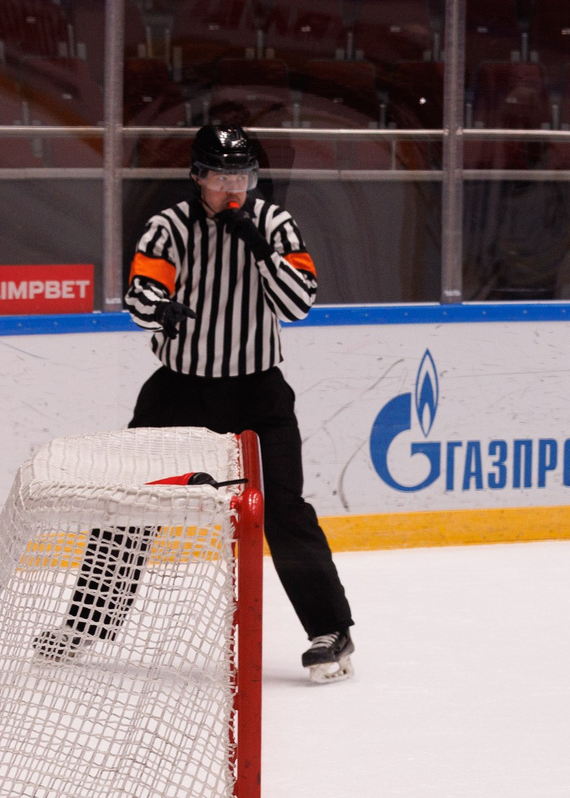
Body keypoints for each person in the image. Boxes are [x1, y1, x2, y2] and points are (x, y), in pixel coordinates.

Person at [67, 123, 358, 681]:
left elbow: (299, 303)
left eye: (243, 176)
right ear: (198, 177)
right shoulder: (169, 226)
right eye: (222, 176)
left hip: (258, 391)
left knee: (283, 509)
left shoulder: (275, 223)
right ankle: (86, 625)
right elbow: (141, 291)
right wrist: (160, 310)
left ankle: (331, 631)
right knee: (131, 502)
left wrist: (256, 246)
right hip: (180, 389)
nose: (234, 187)